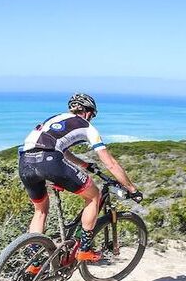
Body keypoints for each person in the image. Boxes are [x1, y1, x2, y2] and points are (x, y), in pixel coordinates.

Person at [18, 93, 141, 266]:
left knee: (40, 211)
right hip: (49, 161)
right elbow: (111, 164)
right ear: (88, 112)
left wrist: (84, 164)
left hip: (25, 162)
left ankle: (34, 263)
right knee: (94, 196)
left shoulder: (55, 118)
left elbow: (62, 148)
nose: (92, 118)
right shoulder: (88, 128)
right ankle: (84, 250)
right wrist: (132, 189)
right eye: (92, 115)